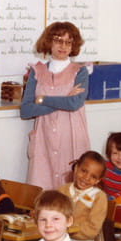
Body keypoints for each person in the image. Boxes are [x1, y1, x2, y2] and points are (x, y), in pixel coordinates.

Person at [21, 21, 89, 190]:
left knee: (72, 189)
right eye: (58, 40)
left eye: (68, 42)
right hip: (43, 139)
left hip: (71, 136)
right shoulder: (36, 72)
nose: (63, 46)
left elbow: (74, 103)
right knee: (42, 190)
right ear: (49, 42)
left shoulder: (80, 71)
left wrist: (42, 99)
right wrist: (64, 99)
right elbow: (26, 110)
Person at [57, 150, 108, 241]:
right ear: (76, 168)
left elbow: (92, 229)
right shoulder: (62, 190)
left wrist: (65, 230)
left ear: (98, 180)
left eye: (93, 176)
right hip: (58, 239)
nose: (86, 178)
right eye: (84, 171)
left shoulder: (99, 197)